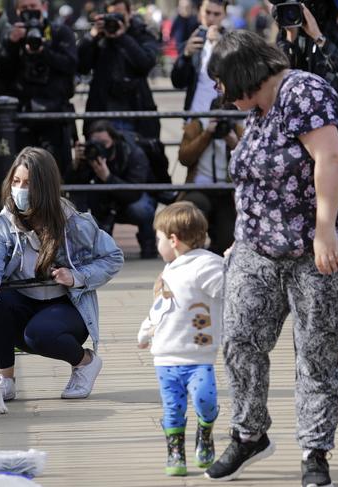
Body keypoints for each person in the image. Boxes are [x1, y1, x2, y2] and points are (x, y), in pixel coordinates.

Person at [204, 31, 338, 487]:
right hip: (259, 245)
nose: (220, 92)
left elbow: (329, 159)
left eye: (222, 81)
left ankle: (315, 451)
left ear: (242, 74)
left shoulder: (302, 91)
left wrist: (325, 232)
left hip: (319, 244)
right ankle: (249, 433)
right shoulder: (258, 109)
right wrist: (241, 238)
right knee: (241, 338)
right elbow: (255, 179)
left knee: (315, 349)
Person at [0, 147, 124, 403]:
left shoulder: (74, 222)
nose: (19, 189)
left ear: (44, 187)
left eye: (27, 183)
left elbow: (113, 257)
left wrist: (77, 276)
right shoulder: (3, 221)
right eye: (16, 182)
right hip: (22, 300)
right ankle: (5, 380)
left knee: (39, 334)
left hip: (66, 305)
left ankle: (85, 362)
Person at [137, 201, 223, 477]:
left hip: (198, 355)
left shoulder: (205, 265)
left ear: (173, 240)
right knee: (173, 408)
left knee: (205, 401)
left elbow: (228, 287)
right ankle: (175, 452)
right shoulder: (170, 270)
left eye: (159, 238)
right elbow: (161, 307)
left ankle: (205, 432)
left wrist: (234, 265)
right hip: (165, 356)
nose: (157, 244)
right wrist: (145, 329)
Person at [0, 0, 78, 175]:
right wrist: (11, 44)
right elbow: (3, 75)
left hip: (54, 115)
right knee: (24, 172)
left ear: (44, 7)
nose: (29, 12)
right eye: (24, 8)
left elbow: (71, 65)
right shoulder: (13, 35)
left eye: (33, 7)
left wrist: (44, 51)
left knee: (56, 174)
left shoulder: (60, 32)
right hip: (23, 116)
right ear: (17, 11)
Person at [66, 120, 158, 259]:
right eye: (95, 143)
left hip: (129, 201)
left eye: (104, 143)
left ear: (114, 140)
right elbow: (72, 186)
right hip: (101, 204)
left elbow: (135, 192)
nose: (100, 147)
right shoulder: (90, 154)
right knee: (77, 202)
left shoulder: (132, 153)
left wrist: (108, 178)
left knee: (141, 208)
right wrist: (77, 164)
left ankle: (148, 244)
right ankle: (86, 248)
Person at [77, 0, 161, 139]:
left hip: (135, 113)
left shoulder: (141, 33)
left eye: (120, 15)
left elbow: (145, 64)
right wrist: (91, 37)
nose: (116, 20)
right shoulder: (99, 37)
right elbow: (81, 66)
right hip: (102, 113)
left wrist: (122, 37)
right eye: (112, 15)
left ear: (130, 14)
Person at [177, 97, 242, 255]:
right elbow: (184, 158)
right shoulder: (197, 126)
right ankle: (192, 256)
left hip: (227, 191)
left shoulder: (237, 130)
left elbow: (251, 162)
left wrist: (234, 143)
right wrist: (206, 135)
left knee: (226, 241)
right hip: (199, 188)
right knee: (193, 211)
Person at [171, 0, 227, 112]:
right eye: (207, 12)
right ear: (200, 11)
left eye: (216, 14)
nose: (211, 18)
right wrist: (185, 56)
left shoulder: (231, 41)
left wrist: (222, 46)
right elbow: (178, 82)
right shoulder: (193, 39)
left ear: (224, 14)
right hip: (195, 115)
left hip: (223, 116)